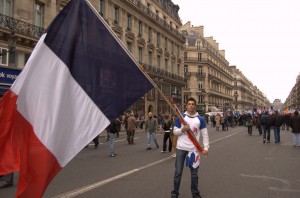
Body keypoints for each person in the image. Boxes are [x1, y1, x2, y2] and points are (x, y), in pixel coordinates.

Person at [171, 97, 209, 198]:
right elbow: (175, 132)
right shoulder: (180, 118)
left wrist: (206, 148)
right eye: (189, 104)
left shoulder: (200, 119)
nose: (191, 105)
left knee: (194, 174)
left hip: (193, 150)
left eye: (193, 104)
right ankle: (174, 194)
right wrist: (182, 129)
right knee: (178, 172)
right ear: (186, 105)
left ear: (195, 106)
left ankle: (195, 193)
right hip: (181, 148)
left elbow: (205, 135)